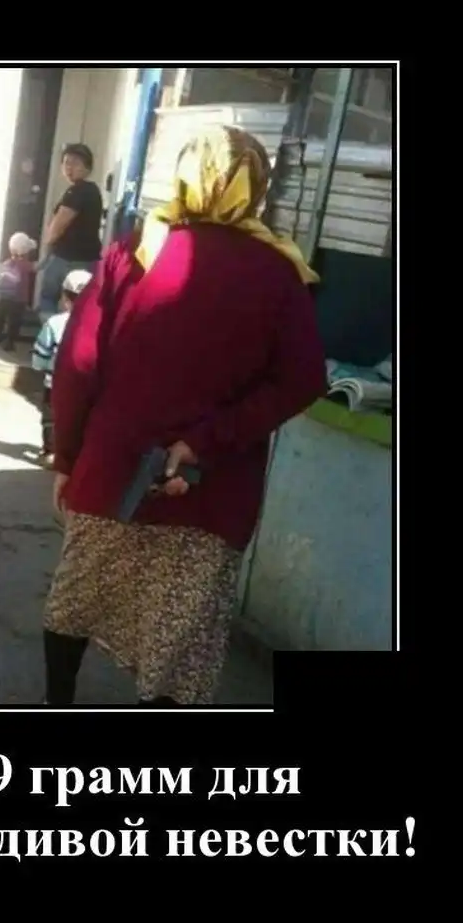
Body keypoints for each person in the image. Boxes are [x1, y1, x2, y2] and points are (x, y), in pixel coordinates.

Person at [41, 125, 327, 707]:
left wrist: (66, 457)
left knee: (76, 601)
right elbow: (302, 378)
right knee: (179, 643)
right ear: (257, 188)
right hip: (212, 490)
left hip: (111, 472)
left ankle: (57, 700)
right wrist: (208, 439)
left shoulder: (137, 251)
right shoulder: (279, 272)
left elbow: (77, 364)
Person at [32, 269, 93, 466]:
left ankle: (51, 452)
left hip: (55, 382)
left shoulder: (54, 323)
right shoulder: (98, 324)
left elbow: (42, 352)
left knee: (51, 417)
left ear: (65, 298)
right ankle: (75, 454)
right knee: (78, 419)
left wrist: (39, 366)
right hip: (85, 383)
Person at [36, 143, 102, 323]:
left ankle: (51, 336)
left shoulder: (77, 191)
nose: (69, 168)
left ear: (87, 167)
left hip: (67, 258)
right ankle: (68, 337)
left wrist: (46, 251)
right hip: (87, 260)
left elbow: (59, 224)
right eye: (66, 163)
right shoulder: (92, 190)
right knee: (79, 307)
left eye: (75, 163)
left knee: (48, 300)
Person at [0, 232, 37, 351]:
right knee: (14, 322)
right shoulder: (26, 265)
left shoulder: (5, 263)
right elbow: (38, 267)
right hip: (19, 299)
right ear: (26, 252)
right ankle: (10, 341)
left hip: (3, 296)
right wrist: (48, 257)